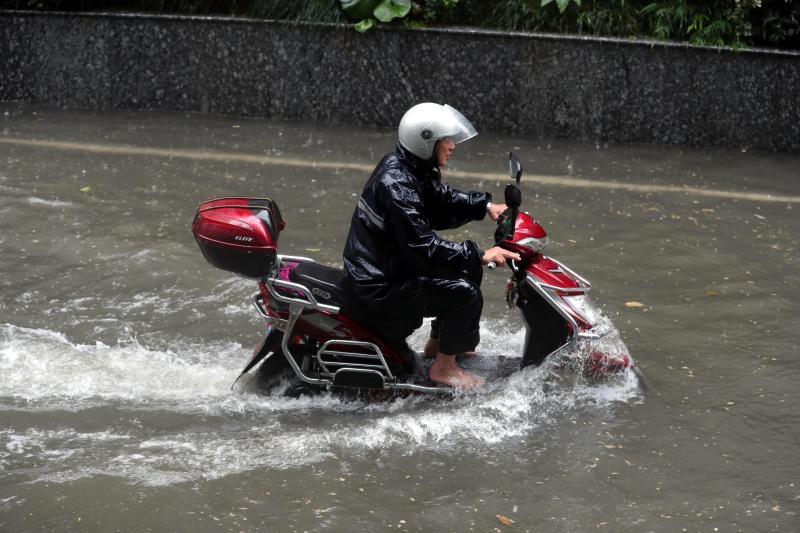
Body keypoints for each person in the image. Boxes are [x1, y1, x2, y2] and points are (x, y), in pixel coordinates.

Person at [341, 103, 519, 389]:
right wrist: (482, 254)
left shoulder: (408, 168)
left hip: (388, 267)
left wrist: (485, 206)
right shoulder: (397, 184)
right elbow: (422, 247)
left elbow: (440, 200)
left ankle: (438, 348)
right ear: (425, 142)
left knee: (465, 269)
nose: (452, 146)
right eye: (445, 140)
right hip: (377, 285)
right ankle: (444, 369)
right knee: (464, 293)